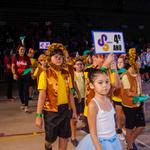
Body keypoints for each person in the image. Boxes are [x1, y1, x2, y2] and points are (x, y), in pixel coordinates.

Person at [35, 43, 77, 150]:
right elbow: (42, 96)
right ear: (50, 58)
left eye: (60, 56)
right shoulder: (45, 74)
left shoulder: (66, 74)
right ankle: (47, 145)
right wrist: (39, 116)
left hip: (65, 110)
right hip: (51, 111)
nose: (59, 58)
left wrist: (74, 110)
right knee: (50, 138)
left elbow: (70, 94)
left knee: (64, 136)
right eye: (55, 56)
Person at [76, 69, 123, 150]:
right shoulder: (93, 105)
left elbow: (118, 85)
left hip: (113, 140)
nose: (105, 85)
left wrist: (114, 68)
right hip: (99, 143)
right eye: (100, 83)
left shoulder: (109, 100)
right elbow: (93, 133)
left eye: (107, 82)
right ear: (91, 85)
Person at [121, 48, 145, 150]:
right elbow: (128, 92)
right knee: (130, 126)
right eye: (138, 61)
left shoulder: (138, 73)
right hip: (129, 105)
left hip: (138, 102)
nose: (140, 63)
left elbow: (139, 88)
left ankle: (129, 140)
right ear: (133, 63)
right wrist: (139, 96)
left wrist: (142, 95)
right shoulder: (126, 76)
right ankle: (129, 146)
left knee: (141, 125)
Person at [11, 44, 31, 112]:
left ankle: (26, 106)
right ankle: (23, 103)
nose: (22, 51)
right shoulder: (15, 57)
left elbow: (30, 67)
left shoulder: (27, 58)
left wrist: (28, 71)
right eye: (21, 49)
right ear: (18, 50)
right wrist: (14, 74)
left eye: (23, 49)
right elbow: (13, 66)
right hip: (18, 76)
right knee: (20, 91)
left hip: (26, 76)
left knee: (26, 91)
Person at [111, 55, 126, 140]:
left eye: (121, 62)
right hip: (117, 97)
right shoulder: (114, 72)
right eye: (118, 62)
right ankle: (119, 130)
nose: (119, 64)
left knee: (124, 116)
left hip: (125, 97)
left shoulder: (126, 72)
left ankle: (122, 127)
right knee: (119, 115)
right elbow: (114, 84)